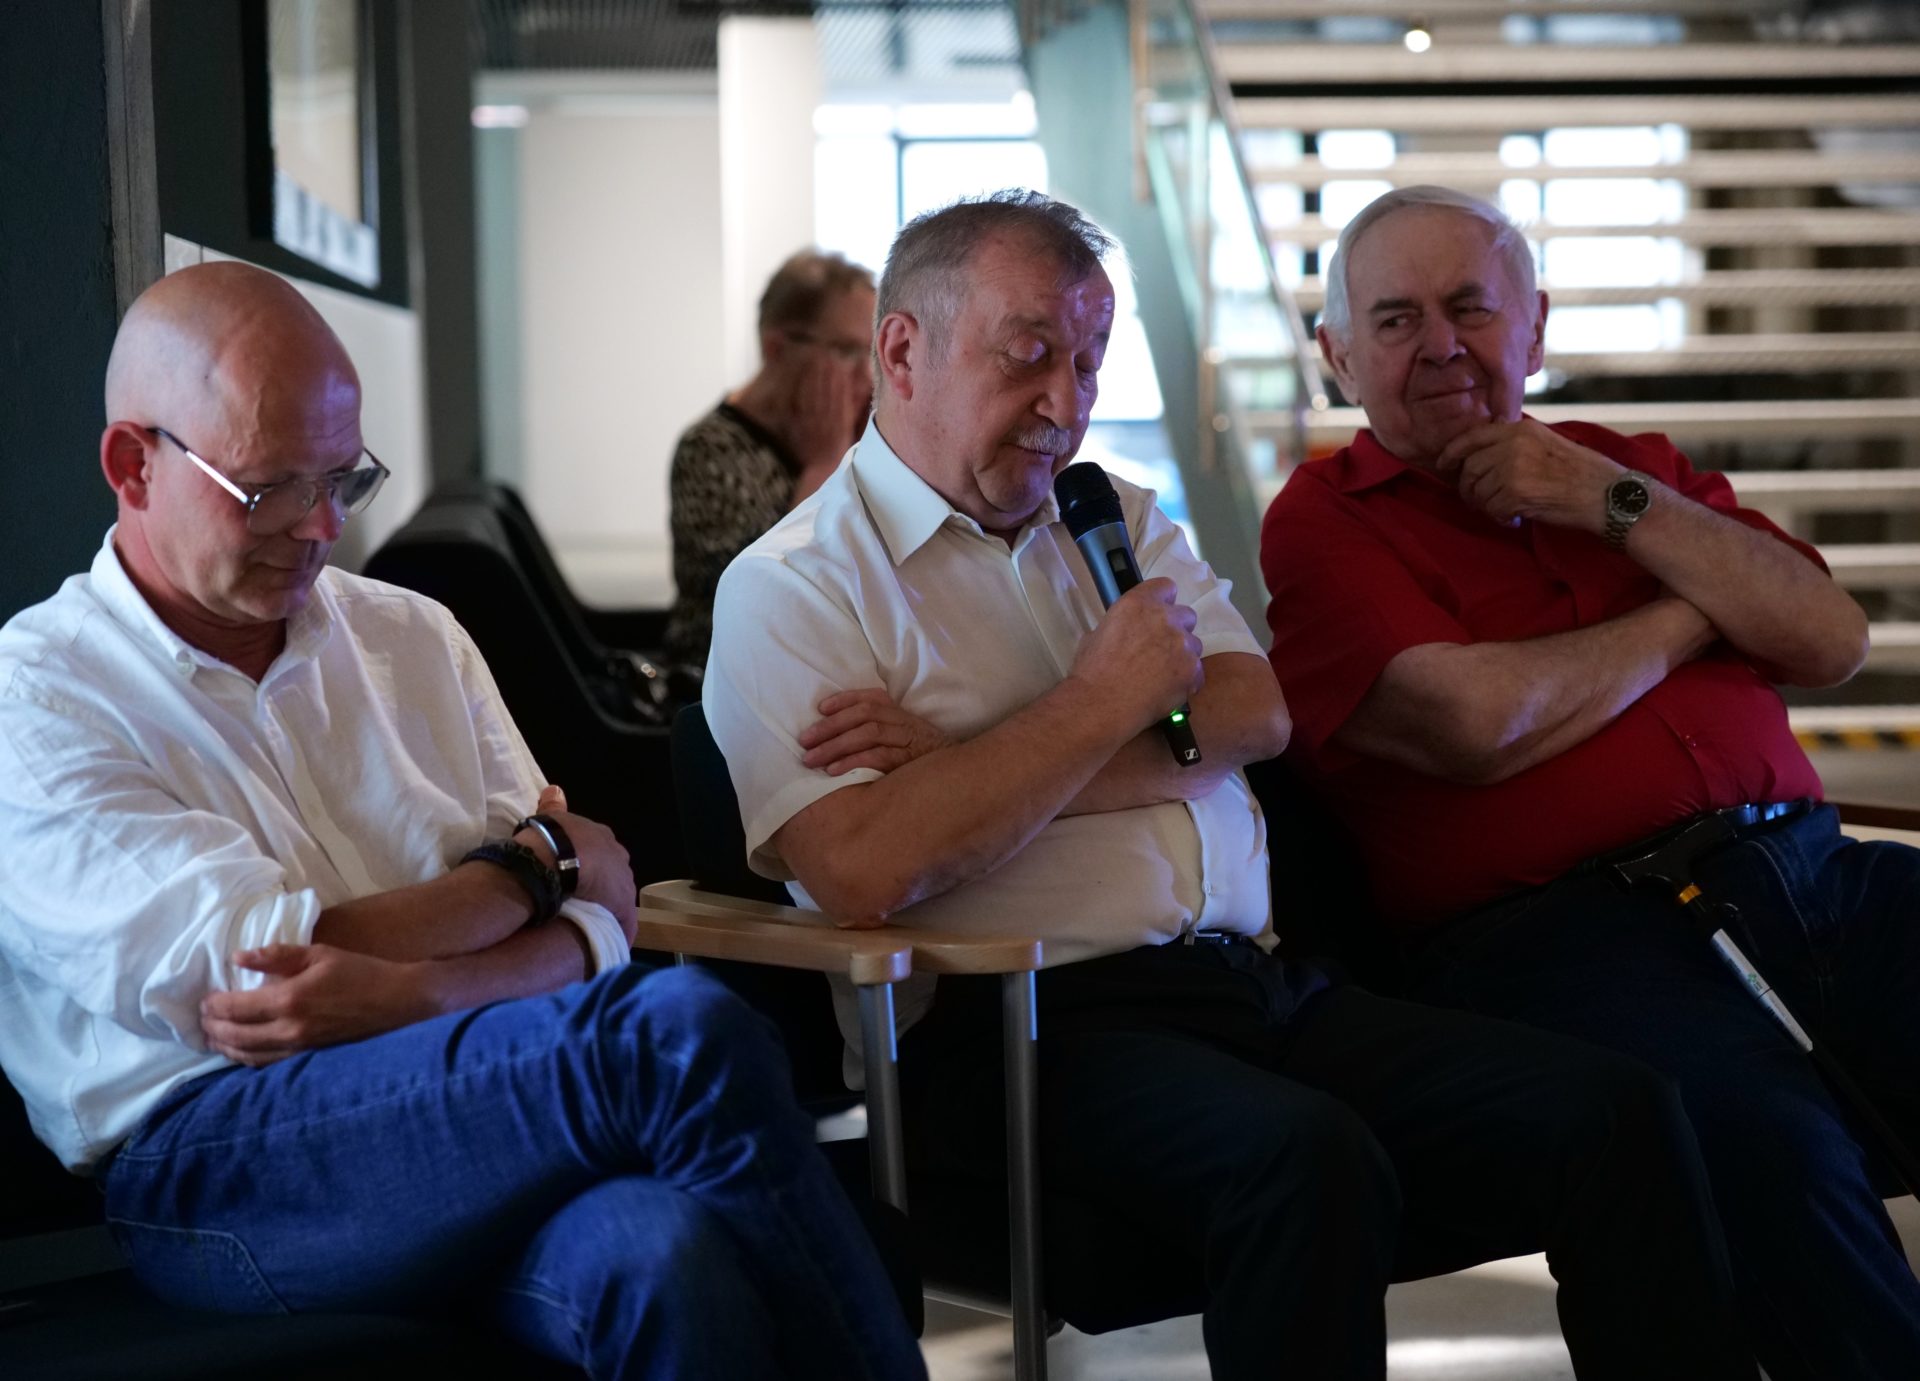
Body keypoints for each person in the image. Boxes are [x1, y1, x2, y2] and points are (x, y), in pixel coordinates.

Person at [704, 189, 1756, 1380]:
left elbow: (1255, 710)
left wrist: (966, 766)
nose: (1066, 404)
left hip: (1247, 986)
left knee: (1622, 1110)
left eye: (1089, 362)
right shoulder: (795, 587)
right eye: (1029, 355)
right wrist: (1106, 696)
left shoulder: (1109, 516)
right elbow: (864, 864)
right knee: (1305, 1160)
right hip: (1019, 1033)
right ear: (902, 351)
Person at [0, 261, 924, 1381]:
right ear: (132, 464)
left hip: (468, 1089)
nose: (320, 526)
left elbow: (604, 904)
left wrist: (418, 991)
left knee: (661, 1257)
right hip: (218, 1156)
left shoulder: (412, 636)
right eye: (271, 489)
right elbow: (268, 975)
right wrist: (517, 876)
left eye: (343, 478)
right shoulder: (39, 692)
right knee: (674, 1034)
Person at [1261, 183, 1920, 1381]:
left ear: (1536, 326)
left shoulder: (1628, 470)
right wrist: (1696, 608)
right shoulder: (1323, 522)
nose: (1441, 344)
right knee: (1769, 1142)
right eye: (1397, 320)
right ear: (1338, 356)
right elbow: (1477, 724)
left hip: (1808, 872)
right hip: (1571, 938)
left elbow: (1829, 634)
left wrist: (1605, 503)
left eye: (1470, 307)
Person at [664, 249, 876, 670]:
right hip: (728, 680)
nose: (867, 376)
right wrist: (824, 466)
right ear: (776, 348)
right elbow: (768, 598)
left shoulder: (862, 429)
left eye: (871, 353)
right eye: (848, 351)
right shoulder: (710, 449)